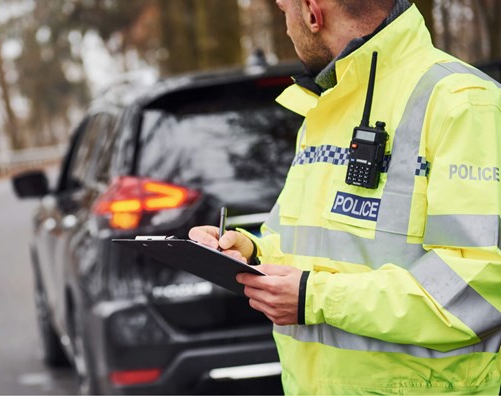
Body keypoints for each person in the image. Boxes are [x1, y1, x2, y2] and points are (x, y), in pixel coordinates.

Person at [189, 0, 501, 393]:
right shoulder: (326, 106)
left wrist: (312, 297)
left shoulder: (464, 102)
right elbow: (312, 248)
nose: (285, 28)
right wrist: (250, 252)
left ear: (312, 12)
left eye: (283, 10)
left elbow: (478, 287)